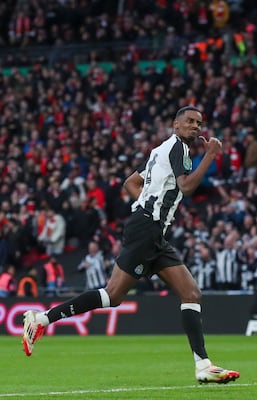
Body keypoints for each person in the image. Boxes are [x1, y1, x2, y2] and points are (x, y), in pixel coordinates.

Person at [21, 106, 240, 385]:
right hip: (146, 228)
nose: (195, 126)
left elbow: (131, 182)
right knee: (113, 295)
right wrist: (210, 156)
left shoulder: (162, 149)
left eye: (199, 123)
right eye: (189, 121)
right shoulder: (178, 150)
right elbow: (186, 187)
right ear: (175, 124)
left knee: (191, 293)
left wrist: (145, 204)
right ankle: (41, 320)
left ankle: (203, 365)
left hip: (152, 230)